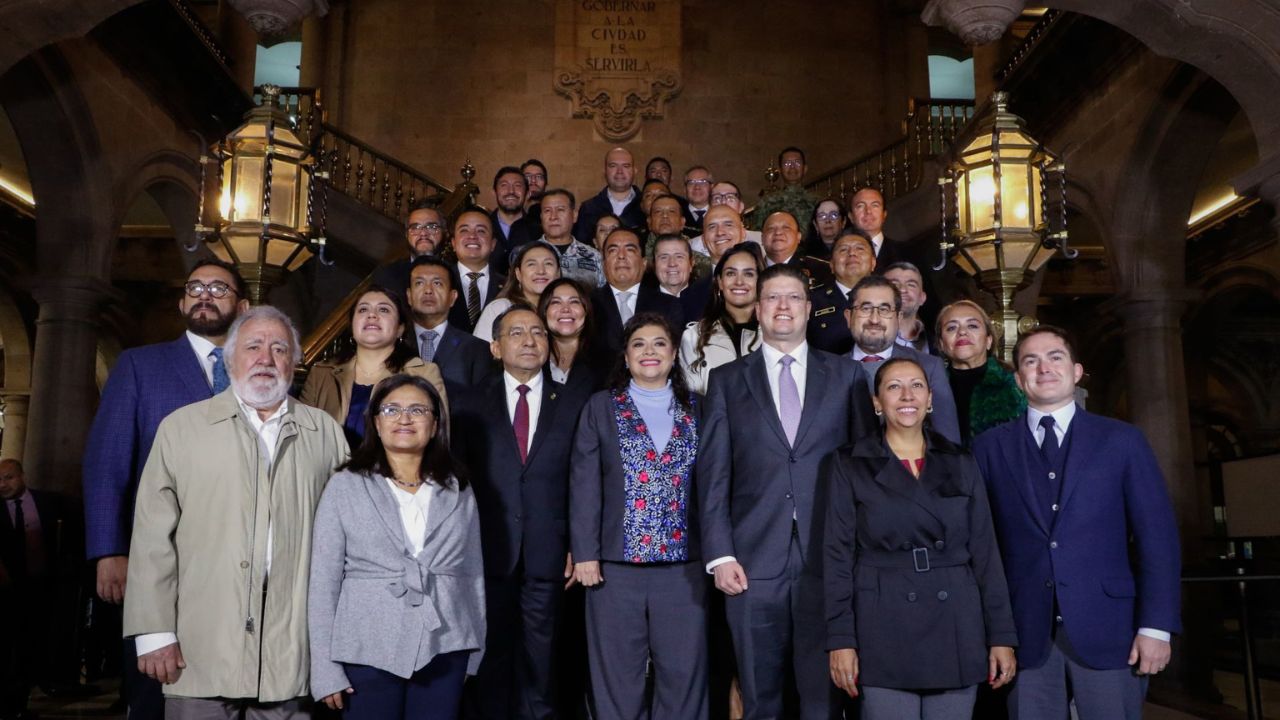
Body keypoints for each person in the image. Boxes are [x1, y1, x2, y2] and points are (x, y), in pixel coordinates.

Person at [123, 306, 349, 718]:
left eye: (279, 348)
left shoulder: (326, 433)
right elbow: (152, 538)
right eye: (253, 346)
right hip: (200, 648)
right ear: (230, 358)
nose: (266, 358)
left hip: (291, 654)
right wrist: (154, 632)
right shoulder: (182, 428)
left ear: (295, 362)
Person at [972, 327, 1181, 720]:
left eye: (1055, 357)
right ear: (1018, 379)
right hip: (1025, 635)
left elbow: (1159, 539)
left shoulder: (1122, 440)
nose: (1044, 367)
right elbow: (984, 546)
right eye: (1030, 361)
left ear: (1077, 370)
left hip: (1111, 630)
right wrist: (994, 632)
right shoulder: (988, 447)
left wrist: (1156, 626)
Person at [697, 264, 875, 719]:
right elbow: (713, 474)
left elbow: (864, 472)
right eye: (772, 297)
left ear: (808, 309)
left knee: (824, 698)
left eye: (792, 297)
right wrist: (720, 555)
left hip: (828, 560)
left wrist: (861, 549)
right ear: (757, 309)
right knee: (760, 697)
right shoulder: (727, 381)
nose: (782, 306)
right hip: (750, 563)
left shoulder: (847, 377)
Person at [82, 258, 249, 720]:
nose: (204, 295)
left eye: (219, 288)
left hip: (237, 561)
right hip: (158, 561)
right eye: (195, 287)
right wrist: (108, 550)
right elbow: (107, 460)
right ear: (181, 302)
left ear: (244, 304)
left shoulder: (257, 369)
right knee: (156, 682)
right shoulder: (141, 365)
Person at [824, 357, 1018, 719]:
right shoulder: (849, 463)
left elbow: (986, 553)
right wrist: (841, 639)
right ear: (876, 402)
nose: (906, 395)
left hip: (956, 623)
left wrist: (1001, 636)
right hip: (881, 622)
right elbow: (836, 557)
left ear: (930, 399)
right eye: (893, 387)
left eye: (916, 385)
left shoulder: (961, 460)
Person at [309, 374, 484, 720]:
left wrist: (475, 649)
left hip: (446, 643)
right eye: (392, 409)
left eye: (418, 410)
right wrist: (324, 669)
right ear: (376, 422)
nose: (404, 418)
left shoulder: (458, 487)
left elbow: (472, 574)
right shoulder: (345, 485)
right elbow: (323, 581)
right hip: (366, 644)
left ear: (434, 424)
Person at [451, 307, 591, 720]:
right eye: (516, 333)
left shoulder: (573, 403)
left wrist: (578, 544)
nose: (529, 340)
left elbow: (583, 481)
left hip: (551, 554)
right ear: (496, 347)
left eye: (537, 333)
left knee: (542, 663)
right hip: (486, 552)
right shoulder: (469, 403)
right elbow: (457, 482)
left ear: (549, 346)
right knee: (489, 660)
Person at [571, 314, 708, 720]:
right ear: (626, 357)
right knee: (617, 679)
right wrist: (585, 554)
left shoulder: (699, 408)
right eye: (639, 344)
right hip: (614, 567)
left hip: (684, 569)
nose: (650, 351)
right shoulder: (601, 406)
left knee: (684, 677)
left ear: (672, 354)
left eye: (660, 343)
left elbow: (714, 485)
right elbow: (583, 483)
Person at [301, 285, 447, 446]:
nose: (372, 315)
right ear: (352, 326)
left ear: (400, 328)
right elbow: (302, 438)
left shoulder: (424, 373)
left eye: (384, 310)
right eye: (363, 310)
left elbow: (439, 439)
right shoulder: (321, 373)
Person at [1, 458, 82, 720]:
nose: (3, 485)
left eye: (9, 477)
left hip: (44, 586)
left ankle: (28, 696)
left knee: (34, 643)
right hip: (7, 590)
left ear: (22, 476)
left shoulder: (48, 502)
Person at [846, 275, 961, 445]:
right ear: (848, 317)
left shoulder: (929, 366)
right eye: (865, 308)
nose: (874, 319)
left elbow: (948, 444)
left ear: (899, 319)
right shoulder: (829, 370)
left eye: (885, 310)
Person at [936, 300, 1025, 446]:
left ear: (988, 340)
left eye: (972, 326)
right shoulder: (929, 388)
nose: (962, 332)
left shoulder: (1015, 383)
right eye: (951, 328)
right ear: (941, 344)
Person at [679, 243, 765, 395]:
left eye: (749, 274)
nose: (739, 281)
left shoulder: (775, 334)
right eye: (731, 273)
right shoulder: (694, 336)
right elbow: (693, 401)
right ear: (720, 282)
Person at [590, 228, 683, 355]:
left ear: (644, 263)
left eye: (630, 250)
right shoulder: (588, 304)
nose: (621, 256)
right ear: (604, 264)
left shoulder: (669, 306)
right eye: (613, 250)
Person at [409, 256, 493, 388]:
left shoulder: (476, 348)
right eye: (419, 283)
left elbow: (481, 402)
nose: (428, 290)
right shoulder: (394, 342)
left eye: (437, 283)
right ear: (409, 296)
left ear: (452, 297)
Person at [473, 240, 561, 343]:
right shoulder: (500, 308)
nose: (541, 271)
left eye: (548, 264)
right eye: (531, 264)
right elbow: (479, 354)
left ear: (558, 273)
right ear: (518, 274)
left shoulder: (564, 311)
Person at [808, 230, 876, 355]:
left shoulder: (889, 298)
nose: (852, 253)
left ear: (873, 262)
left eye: (860, 248)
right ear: (832, 265)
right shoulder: (811, 302)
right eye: (843, 250)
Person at [537, 277, 607, 393]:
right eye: (556, 302)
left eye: (574, 301)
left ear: (586, 310)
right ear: (544, 311)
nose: (565, 309)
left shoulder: (609, 361)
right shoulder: (531, 357)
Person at [373, 201, 448, 297]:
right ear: (406, 235)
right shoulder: (387, 274)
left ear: (444, 232)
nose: (423, 233)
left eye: (431, 227)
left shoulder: (456, 275)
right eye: (415, 227)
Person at [448, 209, 506, 332]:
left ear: (493, 244)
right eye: (464, 230)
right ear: (453, 243)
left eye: (481, 231)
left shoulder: (508, 286)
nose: (472, 236)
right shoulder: (440, 282)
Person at [573, 146, 645, 244]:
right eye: (613, 166)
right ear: (605, 171)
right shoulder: (589, 208)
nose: (620, 172)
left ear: (634, 171)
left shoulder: (645, 206)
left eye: (626, 166)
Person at [538, 188, 606, 288]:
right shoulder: (527, 254)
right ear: (541, 217)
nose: (553, 217)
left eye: (560, 210)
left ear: (574, 215)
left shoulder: (593, 256)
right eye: (547, 211)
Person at [760, 211, 834, 289]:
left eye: (786, 228)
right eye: (771, 228)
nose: (778, 232)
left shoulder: (823, 270)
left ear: (798, 237)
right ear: (762, 238)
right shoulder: (752, 270)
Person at [753, 147, 819, 232]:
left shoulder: (816, 202)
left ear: (805, 168)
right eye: (787, 164)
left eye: (797, 163)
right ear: (780, 170)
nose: (792, 167)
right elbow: (758, 232)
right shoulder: (767, 202)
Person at [490, 166, 534, 273]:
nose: (511, 191)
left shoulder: (537, 230)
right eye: (504, 185)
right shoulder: (482, 227)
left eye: (517, 185)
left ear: (528, 194)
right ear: (494, 193)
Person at [883, 261, 933, 355]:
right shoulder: (860, 338)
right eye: (894, 284)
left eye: (911, 285)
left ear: (922, 298)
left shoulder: (937, 342)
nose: (902, 289)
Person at [683, 165, 714, 232]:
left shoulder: (719, 213)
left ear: (711, 187)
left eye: (702, 182)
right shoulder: (678, 215)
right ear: (685, 189)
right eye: (691, 182)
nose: (697, 187)